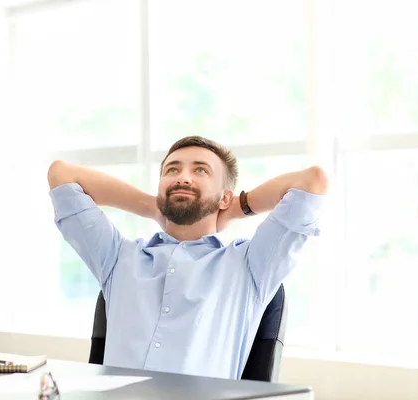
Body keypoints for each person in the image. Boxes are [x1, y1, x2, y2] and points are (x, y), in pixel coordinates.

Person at [47, 136, 328, 379]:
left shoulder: (250, 265)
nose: (183, 177)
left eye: (201, 171)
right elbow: (61, 175)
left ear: (224, 196)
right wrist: (153, 206)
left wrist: (233, 209)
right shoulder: (118, 257)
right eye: (172, 170)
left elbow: (312, 181)